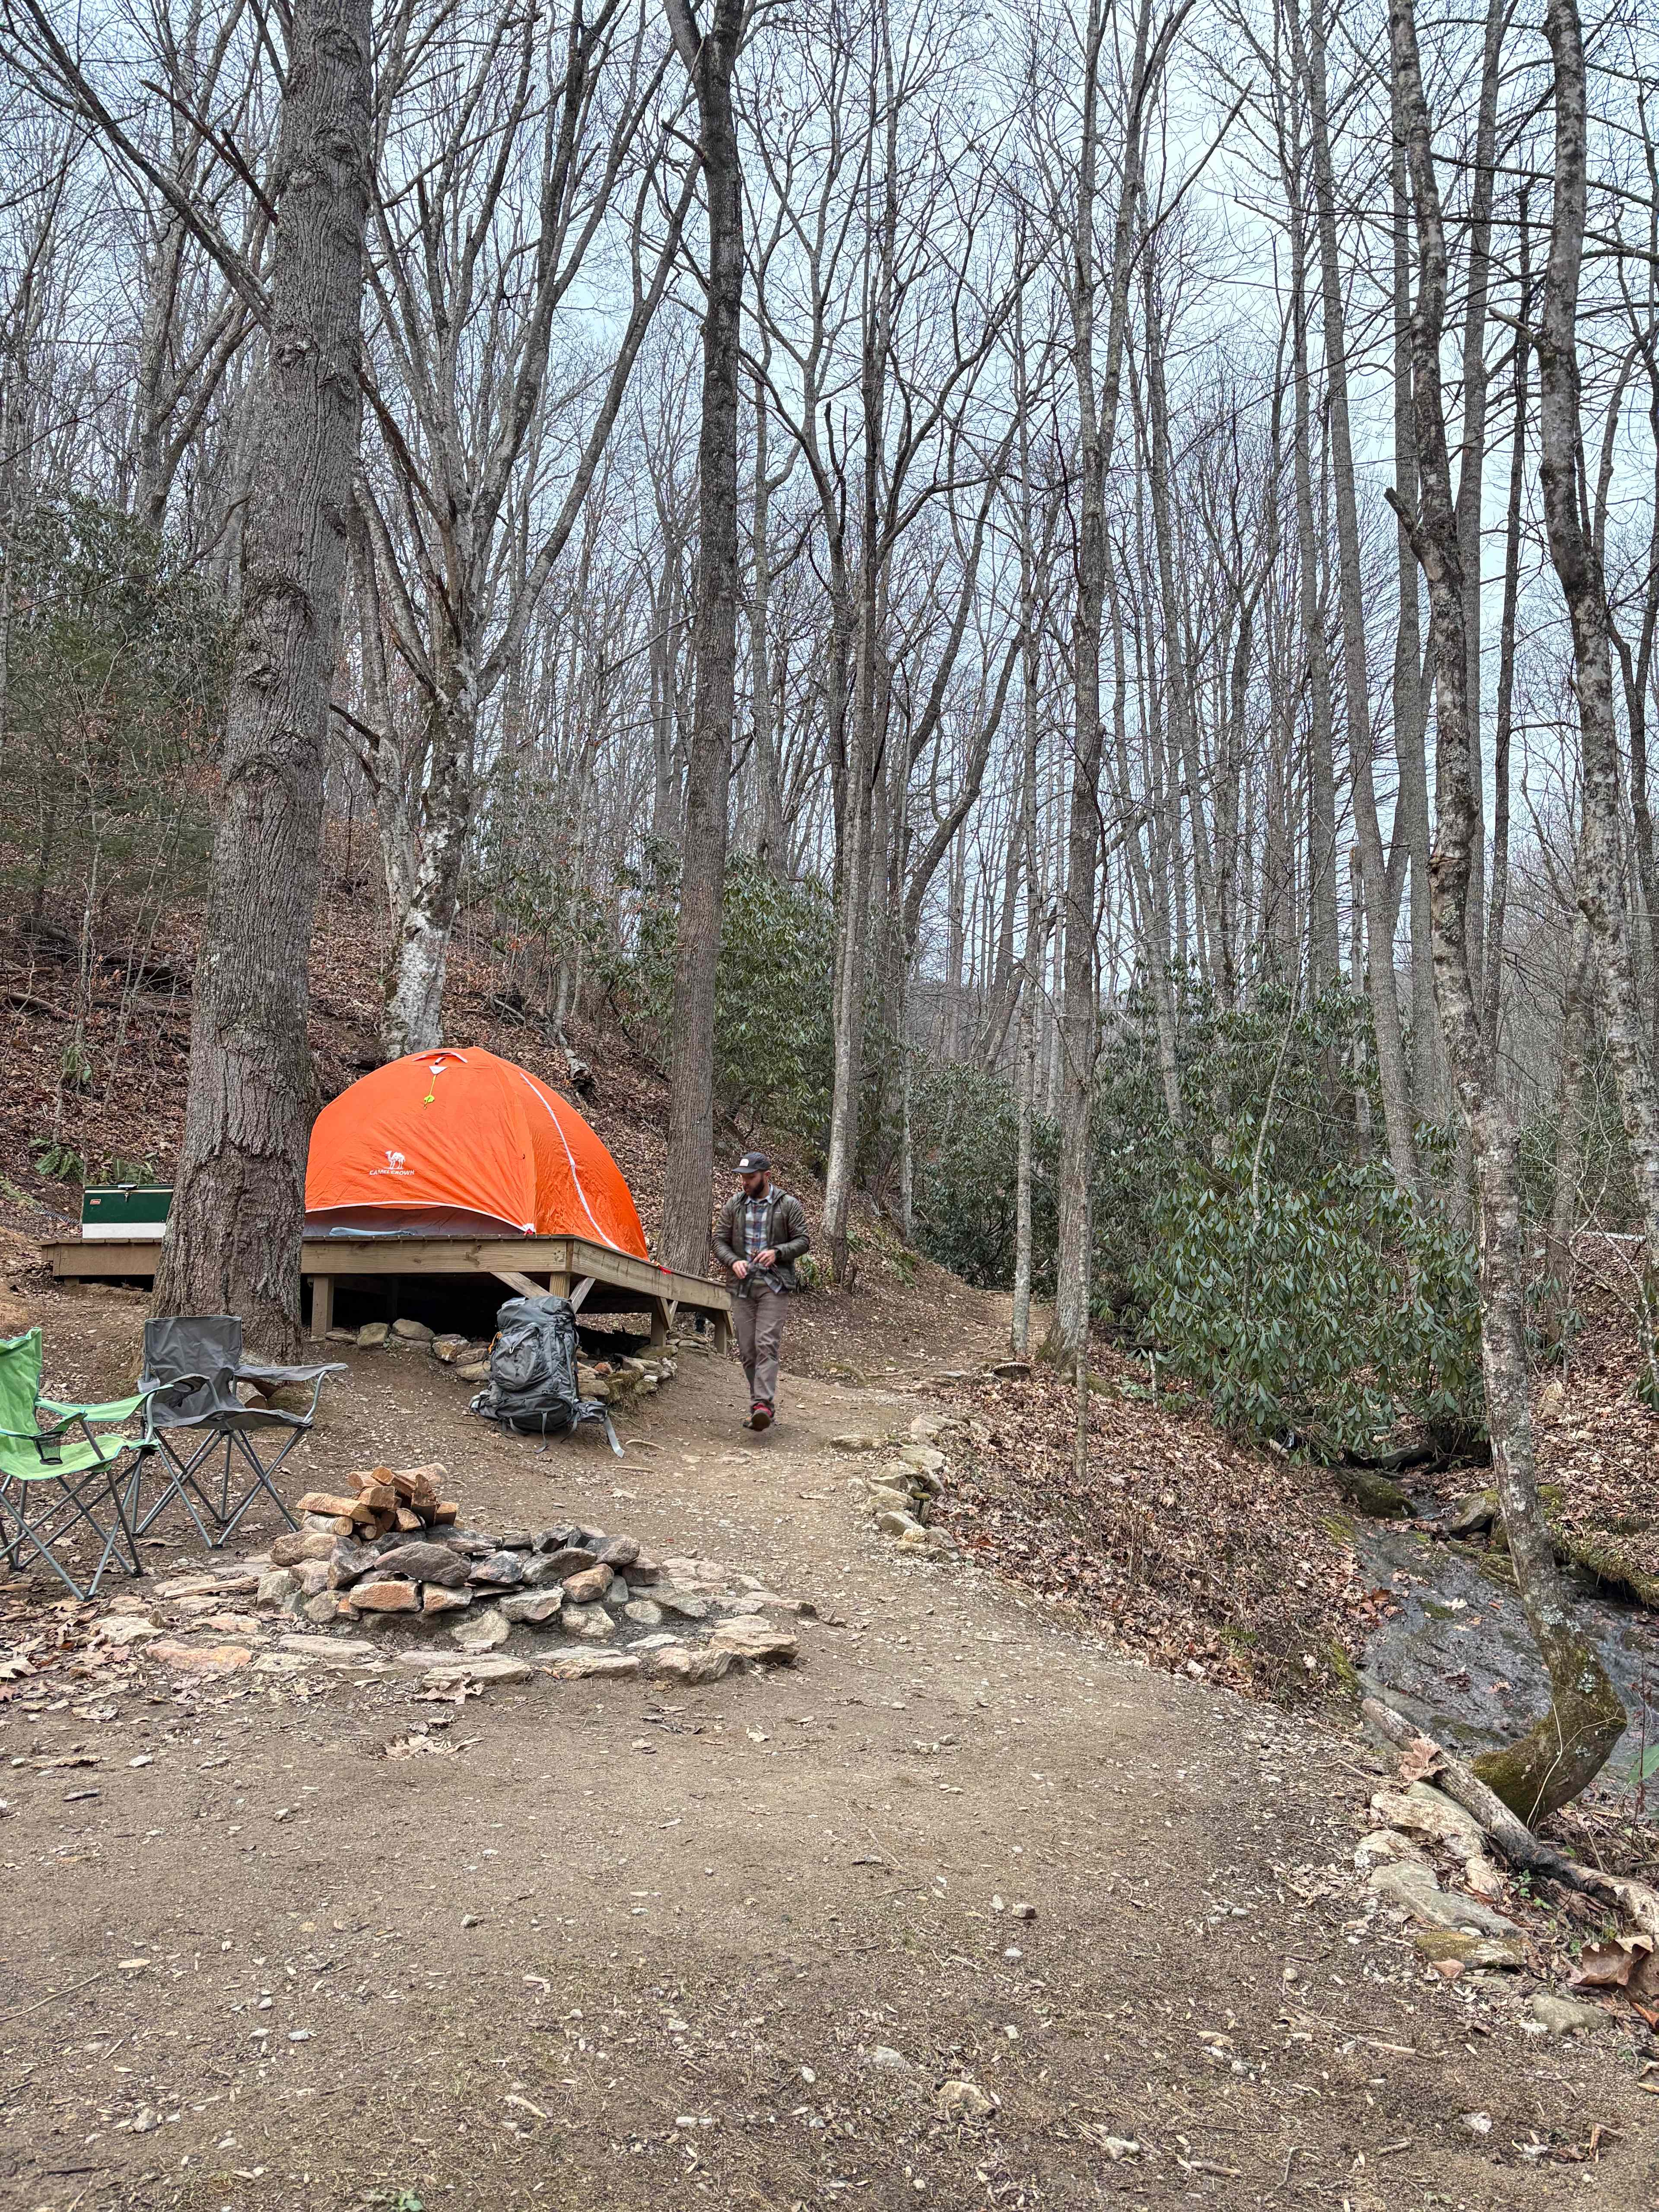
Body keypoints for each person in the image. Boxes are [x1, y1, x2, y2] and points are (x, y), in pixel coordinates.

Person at [713, 1152, 810, 1430]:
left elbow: (803, 1240)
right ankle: (760, 1402)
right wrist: (734, 1261)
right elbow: (719, 1241)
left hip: (774, 1285)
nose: (744, 1182)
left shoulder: (788, 1205)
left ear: (766, 1176)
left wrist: (777, 1252)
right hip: (741, 1287)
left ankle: (762, 1404)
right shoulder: (734, 1205)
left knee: (766, 1344)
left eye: (750, 1177)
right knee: (747, 1350)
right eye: (742, 1177)